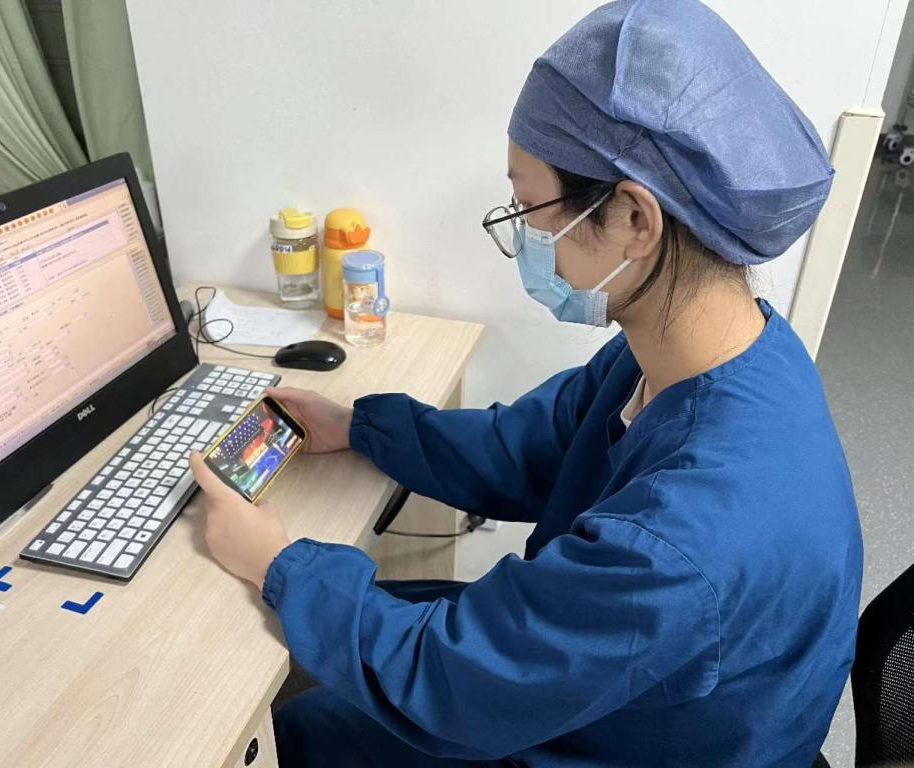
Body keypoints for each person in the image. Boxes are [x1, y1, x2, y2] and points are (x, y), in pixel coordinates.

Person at [189, 0, 862, 765]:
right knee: (356, 630)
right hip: (622, 688)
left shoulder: (686, 538)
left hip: (626, 748)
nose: (523, 232)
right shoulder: (714, 352)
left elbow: (451, 681)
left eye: (529, 205)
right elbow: (534, 445)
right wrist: (362, 427)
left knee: (302, 731)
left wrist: (277, 563)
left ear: (635, 219)